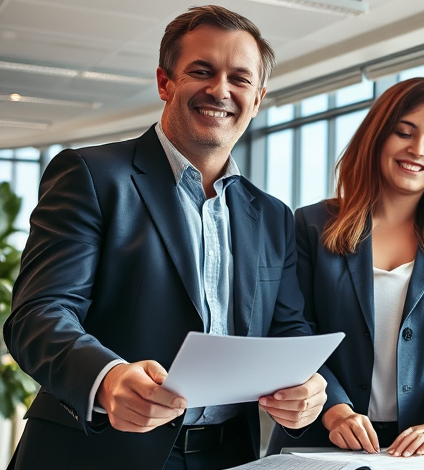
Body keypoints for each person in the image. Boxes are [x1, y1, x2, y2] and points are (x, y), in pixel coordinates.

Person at [3, 6, 333, 470]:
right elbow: (39, 315)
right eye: (202, 70)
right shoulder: (92, 176)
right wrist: (109, 377)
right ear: (165, 82)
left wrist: (306, 387)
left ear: (257, 99)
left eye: (240, 79)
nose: (220, 90)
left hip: (227, 457)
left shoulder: (273, 216)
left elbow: (287, 330)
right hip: (94, 453)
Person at [267, 77, 424, 457]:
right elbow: (294, 331)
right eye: (403, 133)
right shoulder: (311, 225)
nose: (417, 149)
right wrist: (336, 412)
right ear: (377, 138)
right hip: (320, 439)